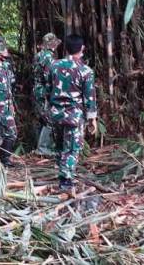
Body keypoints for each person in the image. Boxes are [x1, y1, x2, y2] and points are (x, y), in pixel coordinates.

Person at [47, 34, 97, 191]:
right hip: (74, 116)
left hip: (55, 113)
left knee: (60, 146)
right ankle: (66, 180)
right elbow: (89, 97)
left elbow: (48, 89)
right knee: (72, 148)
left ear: (66, 48)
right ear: (82, 49)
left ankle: (62, 174)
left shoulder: (54, 66)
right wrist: (92, 119)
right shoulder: (85, 71)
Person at [33, 33, 61, 155]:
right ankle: (43, 148)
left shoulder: (38, 55)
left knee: (41, 118)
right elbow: (49, 77)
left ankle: (38, 145)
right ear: (51, 44)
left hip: (37, 90)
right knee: (49, 119)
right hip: (44, 91)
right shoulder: (48, 57)